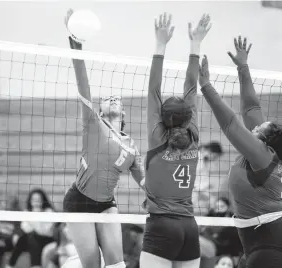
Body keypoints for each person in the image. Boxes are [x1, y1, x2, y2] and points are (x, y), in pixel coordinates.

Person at [198, 36, 282, 268]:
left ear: (266, 144)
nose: (254, 127)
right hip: (264, 243)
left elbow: (231, 124)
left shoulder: (263, 156)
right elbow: (251, 107)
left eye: (258, 129)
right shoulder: (263, 152)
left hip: (273, 244)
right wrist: (242, 67)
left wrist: (205, 85)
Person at [62, 9, 145, 268]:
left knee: (116, 265)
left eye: (116, 99)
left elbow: (144, 180)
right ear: (99, 111)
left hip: (106, 205)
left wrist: (157, 197)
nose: (112, 98)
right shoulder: (93, 124)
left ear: (124, 112)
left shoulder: (131, 146)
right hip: (78, 202)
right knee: (92, 265)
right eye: (106, 99)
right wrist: (75, 45)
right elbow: (83, 84)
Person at [139, 13, 211, 268]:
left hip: (162, 226)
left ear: (162, 116)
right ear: (188, 116)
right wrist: (196, 45)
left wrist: (160, 45)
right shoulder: (192, 134)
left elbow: (153, 89)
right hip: (190, 229)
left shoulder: (158, 137)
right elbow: (192, 87)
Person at [8, 188, 55, 268]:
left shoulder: (49, 212)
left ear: (43, 200)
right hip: (31, 240)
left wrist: (33, 217)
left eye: (38, 199)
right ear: (30, 200)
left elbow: (45, 232)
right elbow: (25, 229)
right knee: (28, 236)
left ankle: (35, 265)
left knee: (32, 236)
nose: (36, 201)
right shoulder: (27, 212)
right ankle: (10, 265)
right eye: (33, 199)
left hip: (46, 240)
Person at [193, 141, 224, 216]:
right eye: (215, 156)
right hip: (193, 191)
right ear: (210, 151)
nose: (215, 159)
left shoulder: (204, 160)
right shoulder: (197, 157)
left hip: (198, 190)